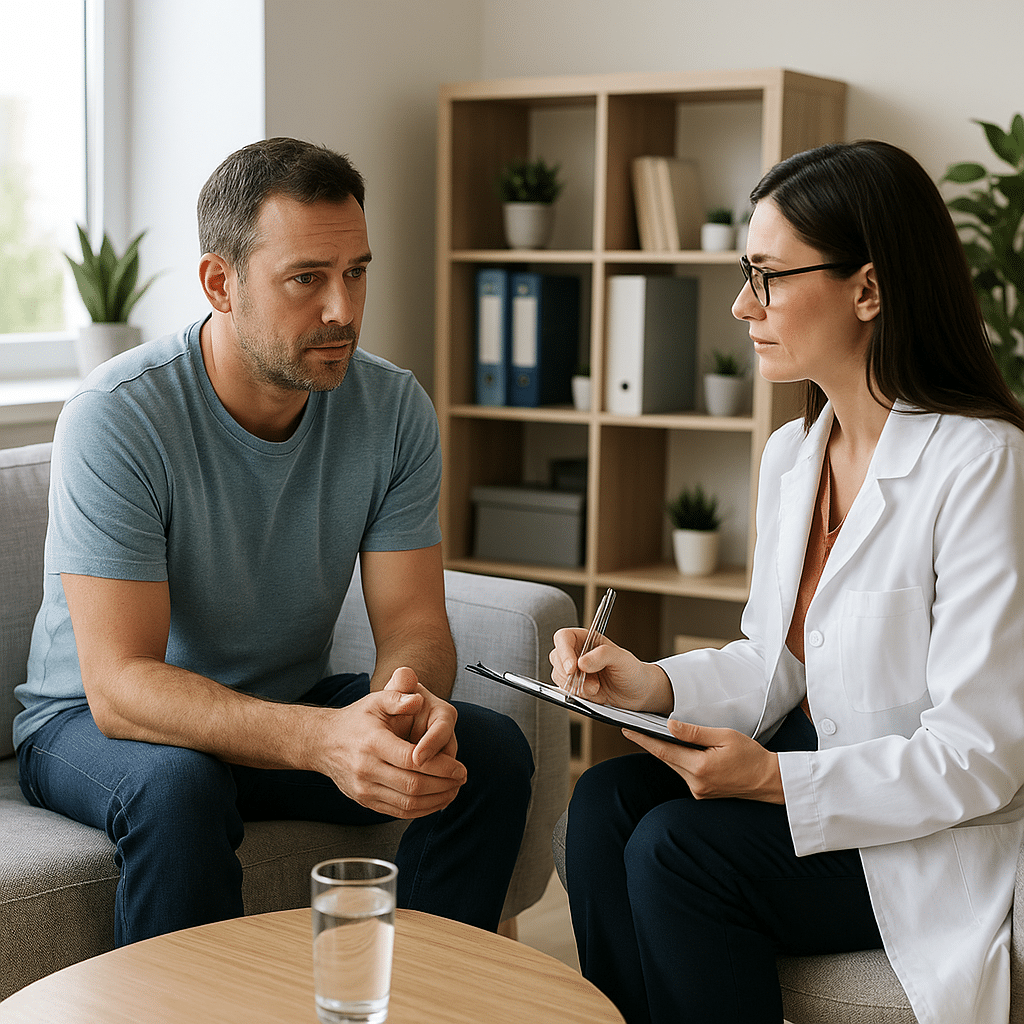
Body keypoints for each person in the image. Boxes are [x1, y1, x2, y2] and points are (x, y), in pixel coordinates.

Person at [14, 137, 533, 945]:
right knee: (179, 788)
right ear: (220, 284)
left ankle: (418, 1002)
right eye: (307, 280)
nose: (344, 310)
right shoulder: (117, 416)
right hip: (93, 726)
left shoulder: (392, 409)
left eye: (356, 272)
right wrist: (322, 738)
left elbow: (415, 624)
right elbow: (120, 685)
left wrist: (403, 705)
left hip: (278, 706)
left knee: (488, 752)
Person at [550, 140, 1024, 1024]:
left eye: (766, 275)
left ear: (869, 289)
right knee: (603, 803)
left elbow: (980, 755)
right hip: (822, 776)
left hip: (924, 830)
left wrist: (772, 781)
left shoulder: (983, 466)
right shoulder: (793, 456)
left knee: (676, 851)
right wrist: (647, 682)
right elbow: (778, 661)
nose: (741, 304)